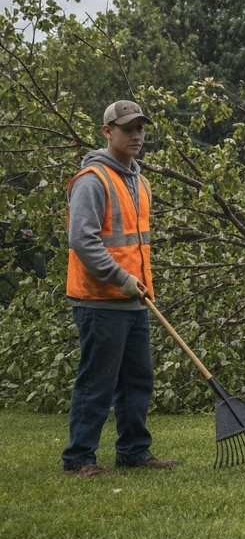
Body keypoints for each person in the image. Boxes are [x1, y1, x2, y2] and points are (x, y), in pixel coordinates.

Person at [62, 100, 179, 477]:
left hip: (135, 299)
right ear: (107, 132)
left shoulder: (139, 181)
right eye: (128, 128)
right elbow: (83, 240)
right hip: (100, 299)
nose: (136, 135)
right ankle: (79, 458)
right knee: (97, 380)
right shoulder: (93, 180)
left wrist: (135, 285)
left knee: (137, 379)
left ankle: (133, 451)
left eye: (140, 128)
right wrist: (120, 278)